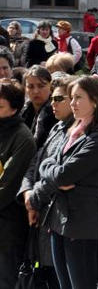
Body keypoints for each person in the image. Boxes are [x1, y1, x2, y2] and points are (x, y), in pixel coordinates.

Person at [38, 76, 98, 289]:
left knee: (81, 284)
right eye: (71, 98)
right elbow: (47, 163)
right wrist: (53, 171)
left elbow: (63, 175)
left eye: (78, 98)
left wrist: (54, 173)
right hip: (59, 217)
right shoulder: (73, 130)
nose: (72, 103)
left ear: (96, 101)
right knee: (64, 284)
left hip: (80, 223)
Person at [18, 75, 75, 289]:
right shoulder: (56, 128)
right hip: (41, 213)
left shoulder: (77, 133)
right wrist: (27, 194)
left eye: (59, 98)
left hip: (61, 217)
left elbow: (59, 175)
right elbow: (35, 165)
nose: (53, 103)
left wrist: (33, 197)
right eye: (54, 98)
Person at [0, 80, 36, 289]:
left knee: (6, 277)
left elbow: (8, 185)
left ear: (14, 107)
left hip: (8, 223)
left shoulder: (22, 137)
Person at [20, 66, 56, 148]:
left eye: (41, 86)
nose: (36, 91)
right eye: (30, 87)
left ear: (50, 87)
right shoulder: (23, 111)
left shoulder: (56, 112)